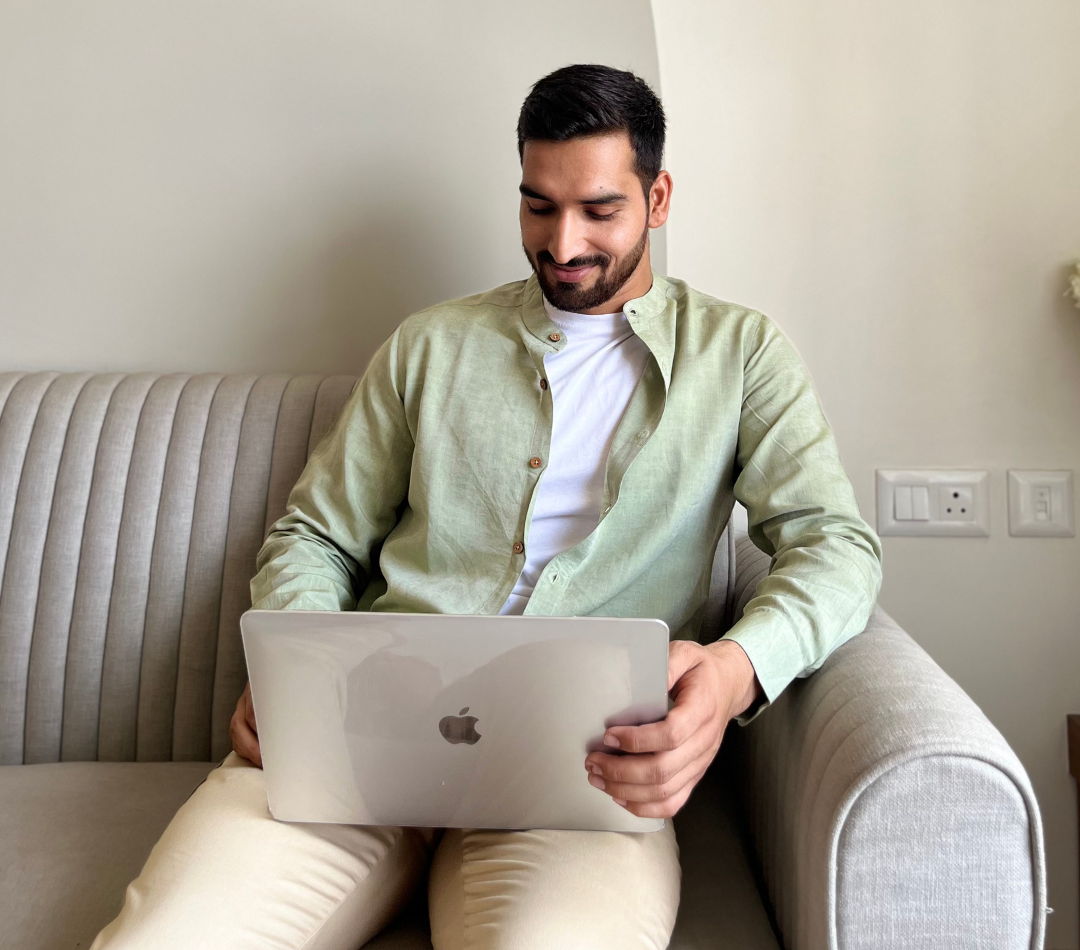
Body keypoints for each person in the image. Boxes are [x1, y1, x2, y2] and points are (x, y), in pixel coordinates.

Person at [92, 64, 881, 950]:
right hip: (362, 738)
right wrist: (299, 665)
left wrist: (736, 670)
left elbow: (835, 547)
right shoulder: (431, 344)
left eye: (599, 209)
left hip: (584, 780)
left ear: (658, 198)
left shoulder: (741, 355)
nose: (563, 242)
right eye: (538, 206)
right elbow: (314, 535)